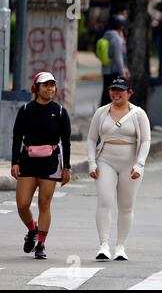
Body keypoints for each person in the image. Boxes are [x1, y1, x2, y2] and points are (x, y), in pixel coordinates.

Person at [87, 77, 151, 261]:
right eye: (113, 90)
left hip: (130, 163)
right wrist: (92, 162)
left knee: (126, 205)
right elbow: (92, 139)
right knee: (105, 201)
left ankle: (120, 246)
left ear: (129, 92)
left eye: (120, 90)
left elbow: (146, 140)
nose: (116, 93)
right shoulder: (101, 112)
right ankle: (103, 244)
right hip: (105, 160)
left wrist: (140, 163)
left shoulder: (138, 114)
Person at [11, 72, 72, 259]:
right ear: (36, 88)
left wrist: (66, 168)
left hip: (50, 162)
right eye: (46, 85)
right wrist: (14, 162)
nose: (50, 89)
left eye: (53, 85)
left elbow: (66, 141)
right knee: (22, 204)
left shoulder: (60, 112)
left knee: (44, 204)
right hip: (28, 161)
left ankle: (41, 245)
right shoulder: (26, 110)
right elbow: (16, 137)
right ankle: (32, 229)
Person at [99, 15, 129, 107]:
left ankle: (101, 113)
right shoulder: (116, 39)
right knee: (111, 95)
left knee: (106, 93)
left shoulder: (106, 35)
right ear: (121, 26)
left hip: (106, 69)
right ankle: (105, 114)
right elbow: (118, 57)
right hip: (113, 71)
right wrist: (122, 72)